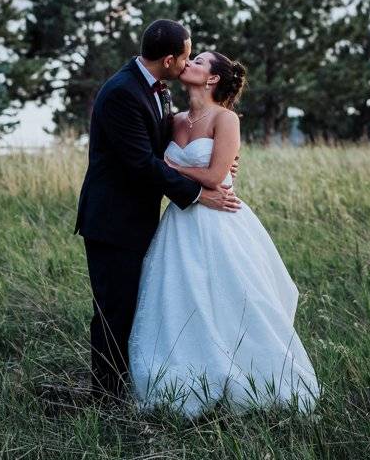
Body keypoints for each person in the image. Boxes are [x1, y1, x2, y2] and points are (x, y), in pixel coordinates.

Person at [128, 51, 320, 418]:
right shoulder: (174, 119)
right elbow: (151, 164)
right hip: (180, 224)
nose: (190, 63)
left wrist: (168, 166)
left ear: (213, 79)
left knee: (234, 299)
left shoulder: (226, 118)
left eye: (198, 61)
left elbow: (217, 178)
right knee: (179, 300)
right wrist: (165, 166)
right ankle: (181, 377)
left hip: (220, 221)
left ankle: (253, 382)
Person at [75, 19, 241, 400]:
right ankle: (106, 397)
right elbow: (142, 163)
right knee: (113, 311)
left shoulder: (159, 92)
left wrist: (219, 160)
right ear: (169, 59)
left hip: (144, 220)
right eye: (187, 56)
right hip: (113, 221)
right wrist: (201, 192)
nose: (188, 63)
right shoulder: (122, 92)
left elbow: (167, 147)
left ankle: (136, 383)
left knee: (143, 306)